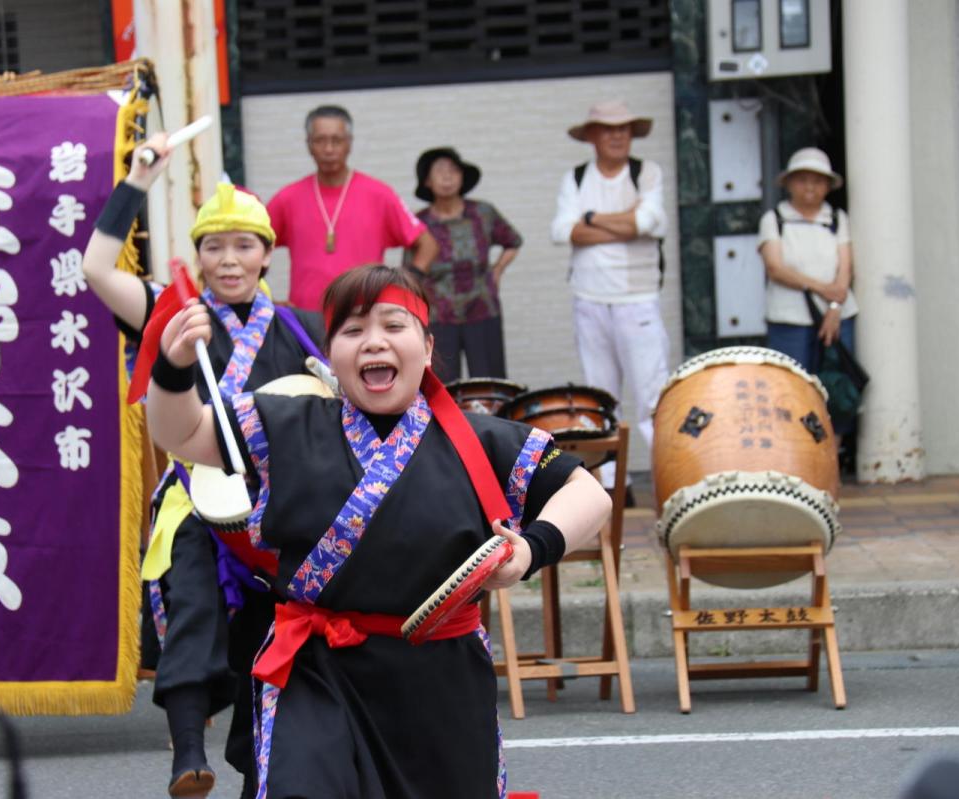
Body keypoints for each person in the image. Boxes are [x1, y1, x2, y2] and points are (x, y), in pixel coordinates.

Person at [147, 263, 611, 798]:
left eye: (394, 326)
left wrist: (531, 549)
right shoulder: (285, 424)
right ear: (330, 352)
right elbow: (180, 432)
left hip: (441, 676)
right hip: (317, 672)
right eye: (352, 330)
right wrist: (175, 365)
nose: (373, 343)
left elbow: (587, 495)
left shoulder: (482, 440)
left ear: (428, 345)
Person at [82, 131, 326, 798]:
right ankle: (187, 753)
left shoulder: (304, 329)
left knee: (272, 643)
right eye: (213, 246)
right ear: (197, 255)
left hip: (281, 508)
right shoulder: (177, 313)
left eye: (243, 244)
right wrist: (139, 179)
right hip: (198, 495)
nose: (228, 259)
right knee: (191, 600)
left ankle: (261, 777)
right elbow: (98, 271)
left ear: (267, 253)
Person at [550, 100, 669, 502]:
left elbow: (646, 222)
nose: (618, 136)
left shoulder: (646, 172)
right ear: (593, 136)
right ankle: (615, 491)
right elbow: (563, 231)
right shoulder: (577, 177)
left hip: (638, 300)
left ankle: (667, 485)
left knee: (652, 400)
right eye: (608, 129)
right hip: (589, 299)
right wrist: (620, 223)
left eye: (625, 129)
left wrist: (592, 219)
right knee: (601, 401)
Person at [267, 105, 438, 311]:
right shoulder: (288, 197)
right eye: (320, 140)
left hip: (364, 313)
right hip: (306, 318)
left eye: (336, 140)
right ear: (309, 145)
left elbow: (427, 245)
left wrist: (402, 290)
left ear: (349, 144)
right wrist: (262, 298)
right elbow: (253, 245)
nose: (329, 149)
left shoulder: (379, 194)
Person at [408, 147, 522, 383]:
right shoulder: (419, 222)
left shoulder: (483, 212)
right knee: (443, 384)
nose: (448, 177)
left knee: (491, 382)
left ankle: (493, 421)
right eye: (440, 172)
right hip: (439, 315)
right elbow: (412, 273)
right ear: (427, 181)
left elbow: (513, 241)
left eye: (454, 171)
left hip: (482, 309)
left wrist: (497, 270)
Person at [757, 146, 857, 390]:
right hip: (789, 317)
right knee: (791, 386)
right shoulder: (774, 219)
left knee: (837, 386)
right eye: (802, 181)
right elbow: (775, 268)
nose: (810, 187)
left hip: (837, 316)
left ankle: (837, 430)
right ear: (789, 184)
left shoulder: (836, 218)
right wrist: (822, 289)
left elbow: (845, 267)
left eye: (818, 181)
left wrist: (834, 306)